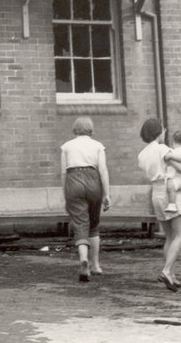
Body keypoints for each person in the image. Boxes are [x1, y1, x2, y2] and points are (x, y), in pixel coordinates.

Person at [137, 117, 181, 291]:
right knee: (180, 236)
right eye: (162, 130)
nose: (164, 132)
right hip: (170, 191)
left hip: (155, 192)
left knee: (169, 236)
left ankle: (172, 274)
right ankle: (167, 270)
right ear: (158, 132)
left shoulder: (142, 154)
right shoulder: (162, 148)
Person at [60, 116, 111, 282]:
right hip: (93, 180)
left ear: (75, 130)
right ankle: (96, 265)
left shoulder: (67, 146)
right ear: (91, 129)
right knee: (93, 225)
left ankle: (83, 260)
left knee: (80, 224)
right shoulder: (98, 146)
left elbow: (63, 173)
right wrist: (107, 194)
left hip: (73, 180)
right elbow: (103, 170)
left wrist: (65, 193)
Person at [164, 129, 181, 215]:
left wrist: (169, 156)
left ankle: (172, 205)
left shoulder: (180, 151)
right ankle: (172, 204)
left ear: (175, 142)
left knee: (170, 186)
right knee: (170, 186)